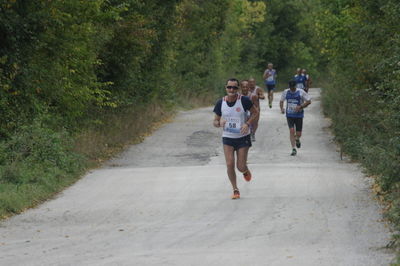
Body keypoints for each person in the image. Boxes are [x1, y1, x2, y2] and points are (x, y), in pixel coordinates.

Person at [213, 78, 259, 199]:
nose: (231, 90)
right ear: (226, 88)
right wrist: (219, 122)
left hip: (242, 137)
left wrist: (247, 124)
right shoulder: (220, 102)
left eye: (234, 87)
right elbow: (215, 121)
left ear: (237, 89)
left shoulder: (243, 100)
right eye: (229, 87)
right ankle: (235, 189)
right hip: (228, 137)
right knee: (229, 164)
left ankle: (245, 170)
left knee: (240, 166)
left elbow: (255, 112)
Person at [280, 80, 311, 156]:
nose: (292, 89)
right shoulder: (286, 92)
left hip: (299, 115)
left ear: (295, 86)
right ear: (289, 86)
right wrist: (282, 108)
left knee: (298, 133)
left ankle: (297, 139)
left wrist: (300, 106)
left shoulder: (301, 92)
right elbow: (281, 101)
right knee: (291, 130)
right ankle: (293, 149)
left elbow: (309, 101)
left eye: (293, 87)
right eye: (291, 87)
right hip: (289, 115)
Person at [247, 78, 264, 142]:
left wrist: (258, 96)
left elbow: (263, 96)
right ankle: (247, 134)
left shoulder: (258, 89)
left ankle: (253, 134)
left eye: (253, 82)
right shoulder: (245, 88)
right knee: (247, 121)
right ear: (248, 83)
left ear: (255, 82)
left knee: (255, 122)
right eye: (250, 82)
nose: (251, 83)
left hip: (256, 108)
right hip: (247, 108)